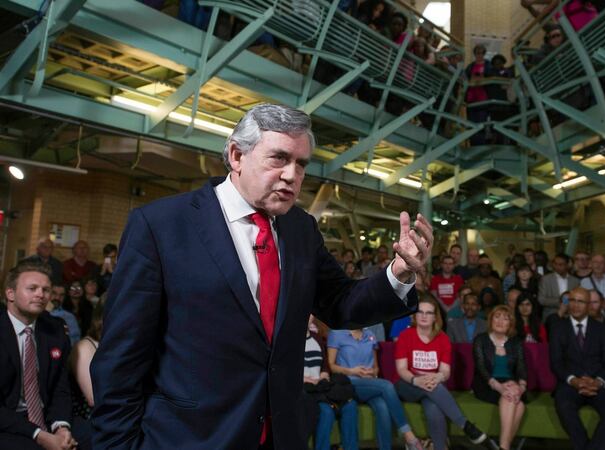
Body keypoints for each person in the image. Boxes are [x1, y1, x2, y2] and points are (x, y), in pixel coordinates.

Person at [90, 104, 432, 449]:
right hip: (189, 438)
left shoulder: (301, 229)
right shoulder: (161, 225)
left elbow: (342, 303)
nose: (292, 175)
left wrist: (398, 273)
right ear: (237, 155)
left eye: (301, 164)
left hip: (281, 436)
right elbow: (121, 359)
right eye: (279, 158)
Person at [0, 262, 81, 450]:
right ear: (10, 294)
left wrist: (61, 427)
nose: (40, 294)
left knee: (97, 436)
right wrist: (38, 435)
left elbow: (60, 388)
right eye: (32, 288)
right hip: (7, 421)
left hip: (47, 416)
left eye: (46, 290)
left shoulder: (56, 329)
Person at [394, 298, 489, 449]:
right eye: (420, 312)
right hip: (408, 385)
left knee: (433, 407)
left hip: (432, 386)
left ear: (435, 317)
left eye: (429, 313)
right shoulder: (405, 336)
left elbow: (445, 371)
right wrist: (417, 380)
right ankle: (465, 425)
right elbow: (401, 369)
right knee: (435, 389)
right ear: (415, 315)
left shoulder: (443, 338)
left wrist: (438, 376)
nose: (424, 316)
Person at [327, 327, 424, 450]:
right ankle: (408, 435)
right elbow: (331, 366)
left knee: (382, 406)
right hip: (348, 383)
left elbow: (376, 367)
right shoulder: (336, 334)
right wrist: (352, 371)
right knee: (387, 386)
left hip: (369, 383)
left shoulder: (370, 335)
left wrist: (372, 372)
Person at [549, 287, 605, 450]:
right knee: (564, 406)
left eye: (580, 301)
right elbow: (556, 363)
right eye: (572, 300)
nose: (575, 305)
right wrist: (574, 380)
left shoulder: (604, 329)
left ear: (589, 305)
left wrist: (598, 382)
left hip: (599, 383)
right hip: (570, 384)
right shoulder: (558, 328)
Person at [472, 305, 528, 450]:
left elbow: (521, 368)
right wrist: (500, 387)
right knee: (512, 400)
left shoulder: (516, 342)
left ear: (511, 323)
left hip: (510, 384)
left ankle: (503, 447)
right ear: (491, 320)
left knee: (520, 405)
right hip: (487, 383)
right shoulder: (480, 340)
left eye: (505, 318)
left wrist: (521, 388)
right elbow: (481, 368)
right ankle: (505, 447)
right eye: (497, 317)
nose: (500, 321)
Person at [303, 316, 358, 450]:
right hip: (305, 389)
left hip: (322, 385)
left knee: (350, 405)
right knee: (326, 411)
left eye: (310, 314)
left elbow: (325, 365)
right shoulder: (289, 340)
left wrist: (324, 374)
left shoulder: (316, 338)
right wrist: (304, 379)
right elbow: (285, 369)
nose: (307, 316)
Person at [69, 304, 103, 423]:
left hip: (118, 412)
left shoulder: (118, 345)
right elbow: (93, 399)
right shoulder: (85, 347)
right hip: (91, 418)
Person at [538, 253, 579, 320]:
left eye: (561, 264)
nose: (557, 267)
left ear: (567, 265)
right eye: (555, 264)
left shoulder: (575, 281)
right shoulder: (545, 279)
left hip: (570, 317)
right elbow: (541, 300)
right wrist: (563, 302)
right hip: (550, 316)